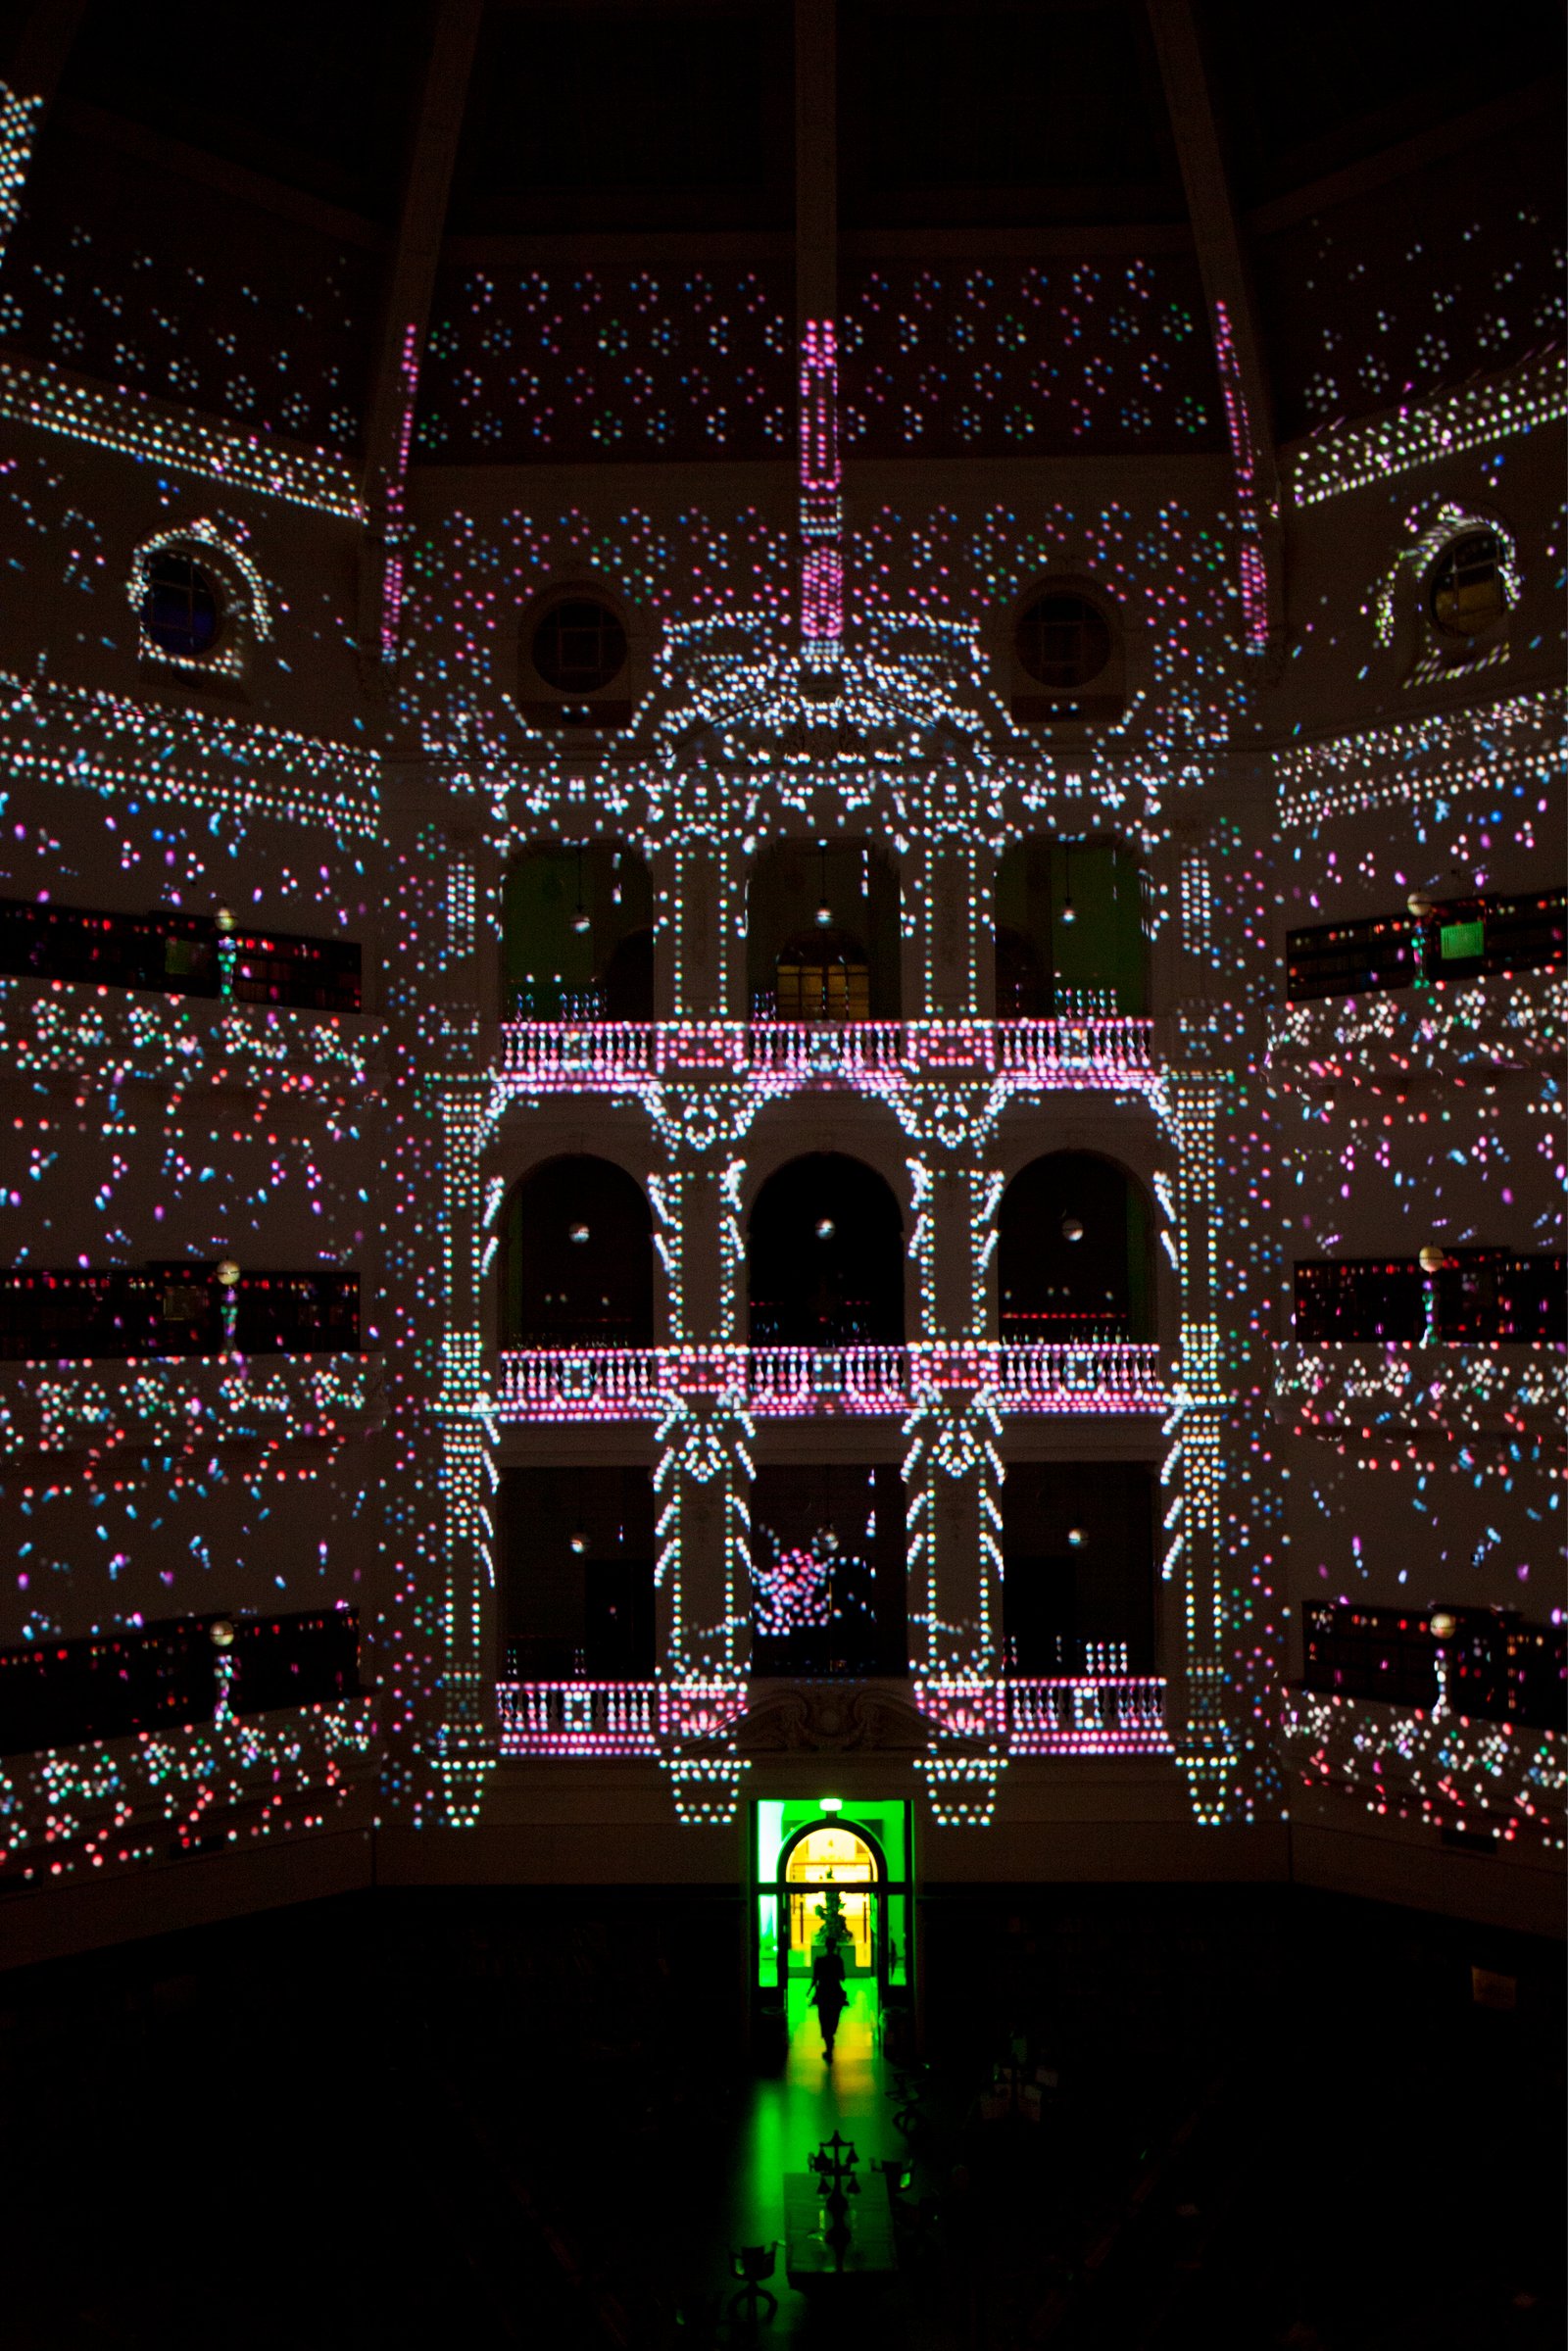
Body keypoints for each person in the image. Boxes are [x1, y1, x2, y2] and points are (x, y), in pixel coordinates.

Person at [809, 1942, 848, 2063]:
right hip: (835, 1992)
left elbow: (815, 1977)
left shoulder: (819, 1960)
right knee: (833, 2017)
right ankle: (830, 2039)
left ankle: (829, 2044)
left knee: (824, 2018)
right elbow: (842, 1977)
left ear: (825, 1946)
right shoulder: (838, 1960)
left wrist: (809, 1990)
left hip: (823, 1993)